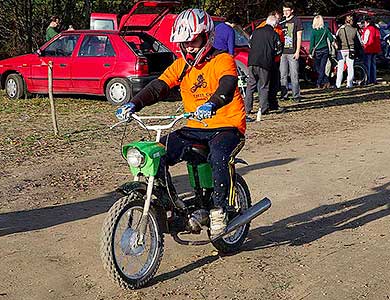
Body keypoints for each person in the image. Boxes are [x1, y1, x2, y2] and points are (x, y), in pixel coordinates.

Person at [115, 8, 246, 238]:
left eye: (193, 40)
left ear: (207, 37)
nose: (189, 46)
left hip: (227, 126)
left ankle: (219, 210)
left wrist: (211, 104)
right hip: (195, 128)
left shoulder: (222, 59)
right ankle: (174, 207)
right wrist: (133, 104)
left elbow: (227, 85)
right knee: (156, 154)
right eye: (185, 42)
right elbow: (159, 86)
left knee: (218, 156)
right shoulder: (182, 65)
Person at [245, 14, 283, 117]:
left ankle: (247, 108)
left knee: (250, 85)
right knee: (264, 85)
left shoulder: (256, 31)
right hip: (265, 63)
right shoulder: (274, 34)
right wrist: (273, 56)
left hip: (252, 61)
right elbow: (279, 49)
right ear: (275, 24)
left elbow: (249, 43)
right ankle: (263, 108)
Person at [279, 2, 303, 102]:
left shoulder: (296, 21)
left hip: (292, 51)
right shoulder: (281, 22)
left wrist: (297, 51)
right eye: (284, 10)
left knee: (294, 74)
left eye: (287, 10)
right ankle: (284, 94)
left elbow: (299, 37)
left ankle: (296, 95)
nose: (285, 12)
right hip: (282, 52)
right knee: (283, 75)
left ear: (292, 10)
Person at [335, 15, 361, 89]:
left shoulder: (340, 29)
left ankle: (338, 84)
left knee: (340, 68)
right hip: (351, 50)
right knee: (350, 67)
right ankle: (349, 84)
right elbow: (359, 41)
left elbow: (336, 38)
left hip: (341, 50)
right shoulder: (355, 30)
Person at [309, 15, 334, 89]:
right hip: (325, 50)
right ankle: (326, 82)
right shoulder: (325, 30)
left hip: (317, 51)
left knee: (317, 68)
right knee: (322, 67)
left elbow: (312, 43)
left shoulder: (314, 31)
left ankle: (319, 83)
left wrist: (310, 52)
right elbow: (331, 39)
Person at [361, 17, 381, 84]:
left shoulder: (368, 29)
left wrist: (362, 43)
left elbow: (365, 40)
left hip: (368, 48)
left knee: (367, 64)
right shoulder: (376, 29)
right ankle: (374, 79)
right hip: (375, 49)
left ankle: (368, 79)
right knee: (373, 64)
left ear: (367, 22)